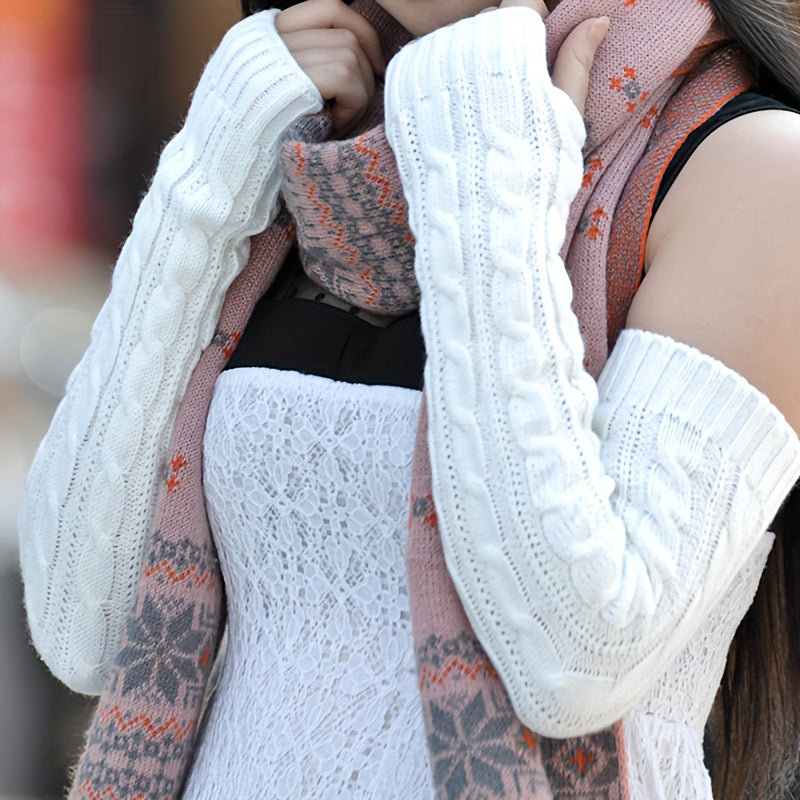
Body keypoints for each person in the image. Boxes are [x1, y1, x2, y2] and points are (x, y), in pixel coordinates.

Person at [16, 0, 800, 797]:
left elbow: (579, 661)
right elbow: (85, 631)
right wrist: (212, 171)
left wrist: (490, 160)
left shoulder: (755, 164)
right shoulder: (325, 147)